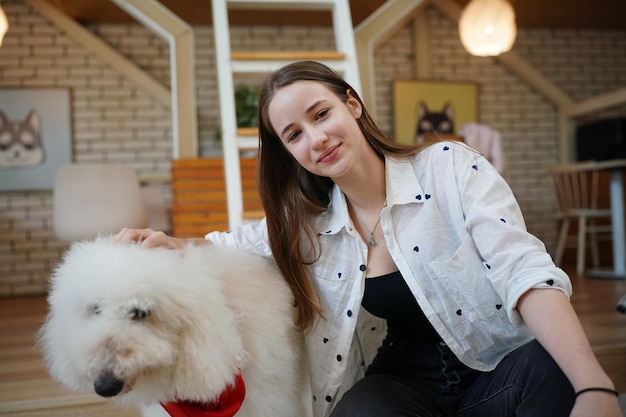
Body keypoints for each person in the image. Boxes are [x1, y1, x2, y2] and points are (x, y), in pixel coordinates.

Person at [114, 61, 622, 417]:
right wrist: (171, 244)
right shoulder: (311, 226)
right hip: (404, 383)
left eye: (320, 114)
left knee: (550, 368)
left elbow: (524, 271)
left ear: (352, 105)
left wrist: (594, 384)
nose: (315, 139)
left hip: (496, 366)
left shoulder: (448, 167)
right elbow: (232, 243)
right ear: (289, 152)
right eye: (293, 135)